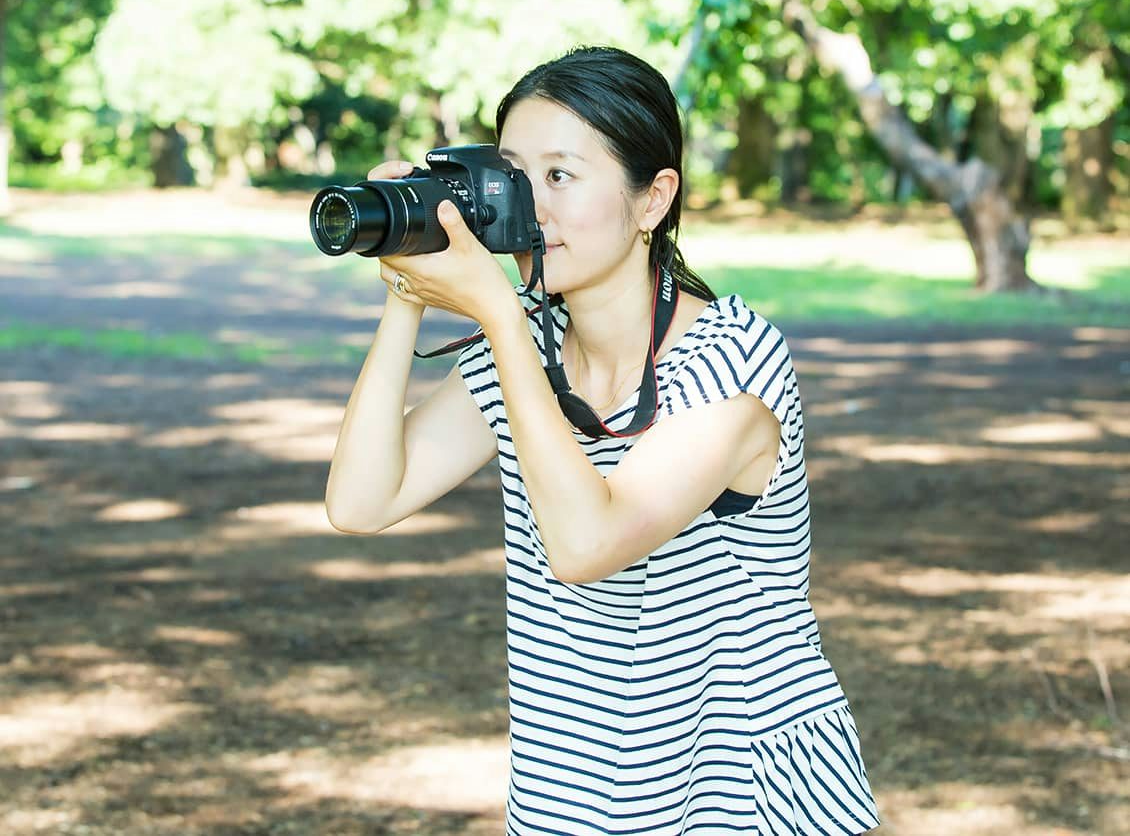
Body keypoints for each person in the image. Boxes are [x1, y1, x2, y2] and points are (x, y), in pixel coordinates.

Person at [325, 46, 880, 835]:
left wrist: (499, 317)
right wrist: (406, 288)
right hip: (575, 783)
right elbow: (360, 501)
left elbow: (586, 544)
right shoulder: (523, 347)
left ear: (653, 199)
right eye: (517, 177)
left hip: (733, 787)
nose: (532, 208)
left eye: (562, 176)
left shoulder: (736, 361)